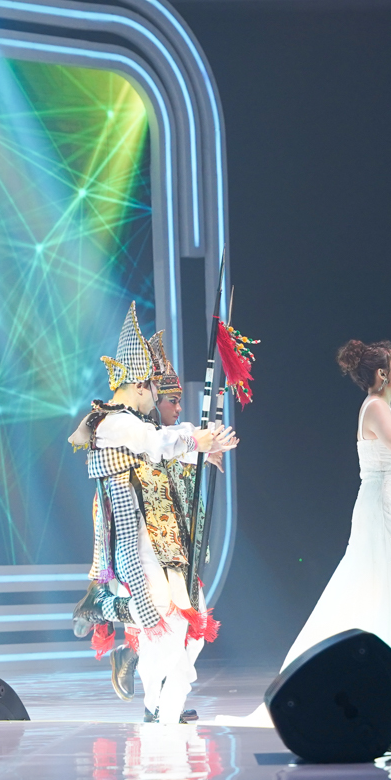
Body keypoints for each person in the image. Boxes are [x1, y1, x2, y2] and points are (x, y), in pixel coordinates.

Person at [278, 339, 391, 732]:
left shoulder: (388, 411)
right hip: (380, 504)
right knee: (381, 582)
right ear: (382, 374)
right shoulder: (375, 406)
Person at [71, 305, 236, 724]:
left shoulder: (135, 426)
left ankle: (161, 708)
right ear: (142, 385)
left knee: (186, 628)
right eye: (160, 395)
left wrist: (201, 450)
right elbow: (156, 443)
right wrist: (196, 441)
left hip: (162, 541)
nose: (162, 404)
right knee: (162, 623)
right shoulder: (113, 423)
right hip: (134, 543)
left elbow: (164, 449)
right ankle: (151, 694)